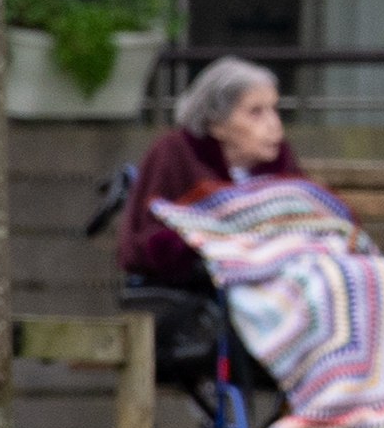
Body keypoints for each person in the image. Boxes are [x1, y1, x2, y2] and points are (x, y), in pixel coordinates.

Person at [118, 56, 303, 286]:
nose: (274, 124)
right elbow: (147, 241)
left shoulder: (281, 162)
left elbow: (310, 219)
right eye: (256, 112)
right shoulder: (175, 153)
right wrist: (215, 243)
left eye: (274, 109)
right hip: (198, 290)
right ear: (216, 123)